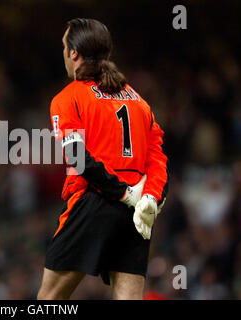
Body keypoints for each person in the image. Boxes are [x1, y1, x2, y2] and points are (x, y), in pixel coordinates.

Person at [37, 18, 169, 300]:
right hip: (135, 212)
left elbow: (77, 157)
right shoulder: (138, 101)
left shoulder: (67, 98)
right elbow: (158, 156)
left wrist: (123, 194)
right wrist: (150, 197)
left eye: (63, 46)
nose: (62, 51)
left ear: (73, 53)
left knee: (49, 300)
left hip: (94, 203)